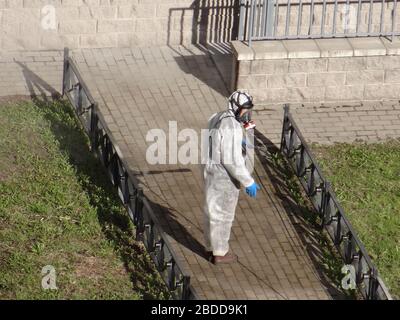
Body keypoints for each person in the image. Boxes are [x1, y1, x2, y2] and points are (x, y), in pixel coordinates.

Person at [203, 90, 260, 265]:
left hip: (211, 170)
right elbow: (233, 161)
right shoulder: (231, 127)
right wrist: (248, 181)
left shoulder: (218, 117)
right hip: (224, 178)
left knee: (211, 210)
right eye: (244, 109)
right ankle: (220, 253)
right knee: (224, 214)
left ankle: (210, 247)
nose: (245, 113)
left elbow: (213, 138)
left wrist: (238, 139)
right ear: (236, 107)